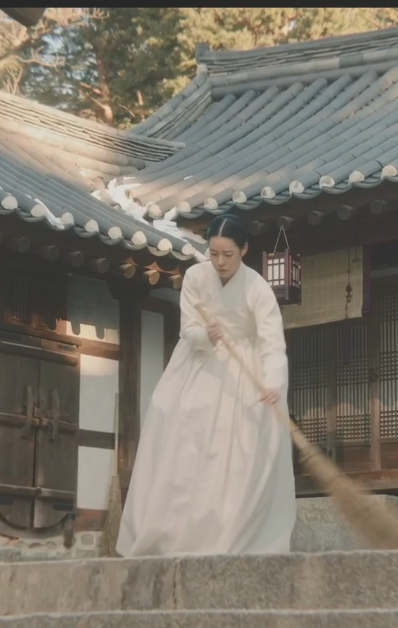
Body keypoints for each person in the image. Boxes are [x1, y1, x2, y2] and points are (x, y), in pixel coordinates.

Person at [116, 213, 296, 557]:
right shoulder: (196, 277)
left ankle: (227, 530)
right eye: (214, 253)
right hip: (199, 363)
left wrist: (273, 382)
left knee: (239, 443)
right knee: (181, 427)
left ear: (243, 250)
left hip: (244, 370)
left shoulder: (257, 287)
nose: (220, 262)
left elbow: (272, 342)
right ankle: (175, 531)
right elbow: (188, 329)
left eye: (228, 254)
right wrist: (205, 335)